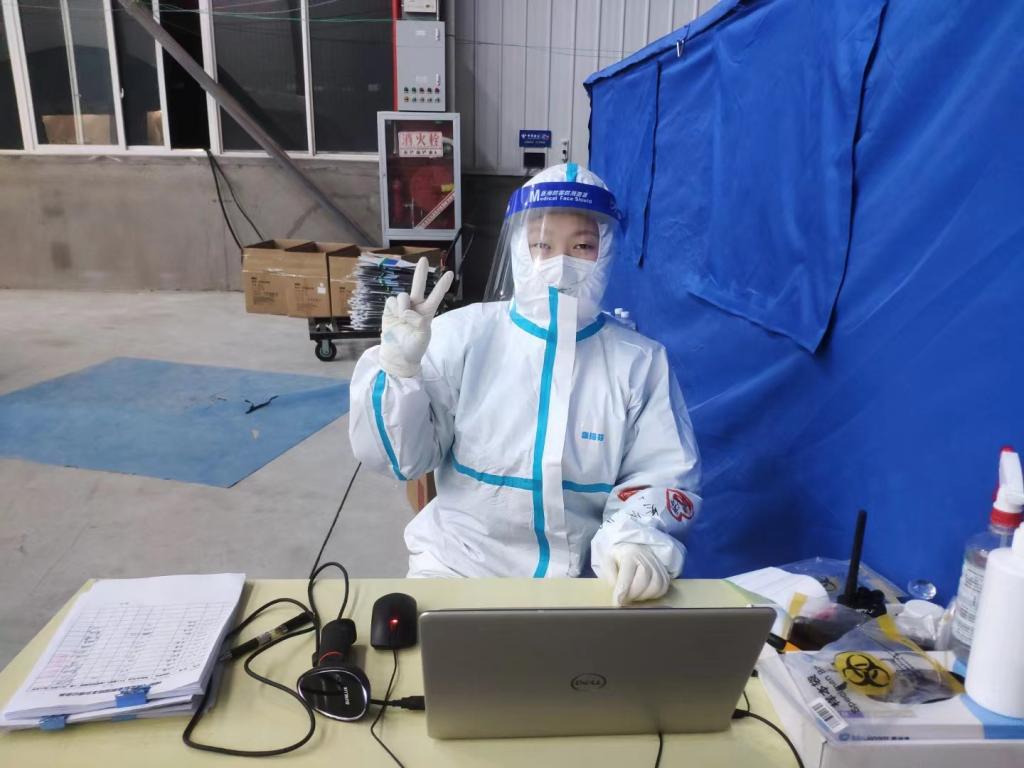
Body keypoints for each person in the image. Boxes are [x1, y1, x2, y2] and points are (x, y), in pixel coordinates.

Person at [349, 164, 701, 605]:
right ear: (519, 248)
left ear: (607, 251)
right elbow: (400, 459)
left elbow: (663, 475)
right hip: (455, 567)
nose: (561, 263)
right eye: (542, 245)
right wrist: (400, 370)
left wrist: (632, 538)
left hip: (582, 583)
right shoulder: (464, 336)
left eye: (582, 245)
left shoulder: (639, 362)